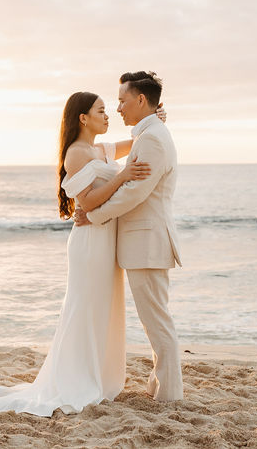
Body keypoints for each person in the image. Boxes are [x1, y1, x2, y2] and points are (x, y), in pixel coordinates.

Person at [0, 90, 163, 416]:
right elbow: (88, 202)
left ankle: (98, 376)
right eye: (100, 110)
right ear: (83, 117)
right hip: (90, 244)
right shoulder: (76, 154)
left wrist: (151, 119)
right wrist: (123, 175)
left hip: (104, 238)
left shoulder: (98, 149)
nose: (107, 114)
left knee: (102, 310)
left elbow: (135, 142)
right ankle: (77, 379)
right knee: (85, 309)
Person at [74, 71, 183, 402]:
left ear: (140, 100)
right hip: (143, 242)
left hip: (147, 242)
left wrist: (93, 216)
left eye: (121, 101)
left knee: (157, 322)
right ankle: (159, 386)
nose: (117, 108)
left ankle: (169, 395)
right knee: (154, 321)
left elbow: (135, 192)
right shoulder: (149, 133)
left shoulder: (151, 138)